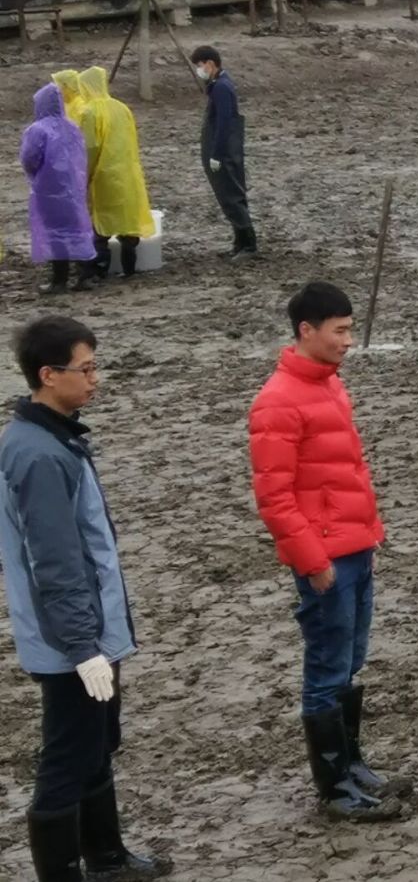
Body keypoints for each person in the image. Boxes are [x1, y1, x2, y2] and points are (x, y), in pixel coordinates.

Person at [1, 316, 172, 882]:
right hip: (71, 641)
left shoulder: (54, 438)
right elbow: (54, 563)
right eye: (87, 368)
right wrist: (83, 647)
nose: (96, 379)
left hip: (88, 630)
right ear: (48, 375)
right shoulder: (39, 455)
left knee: (96, 744)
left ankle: (106, 858)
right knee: (67, 755)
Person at [248, 283, 407, 822]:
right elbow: (274, 497)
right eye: (339, 331)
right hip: (326, 559)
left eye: (349, 329)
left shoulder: (329, 385)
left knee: (349, 661)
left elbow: (349, 472)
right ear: (306, 331)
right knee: (326, 667)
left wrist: (369, 534)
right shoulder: (278, 401)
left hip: (353, 548)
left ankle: (352, 766)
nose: (348, 340)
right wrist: (312, 561)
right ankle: (335, 787)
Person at [75, 67, 154, 281]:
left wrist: (84, 175)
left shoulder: (89, 112)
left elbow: (90, 147)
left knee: (101, 224)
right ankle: (129, 268)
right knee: (126, 219)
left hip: (105, 175)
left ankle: (99, 270)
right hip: (128, 172)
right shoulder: (122, 107)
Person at [22, 83, 97, 296]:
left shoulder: (37, 130)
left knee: (56, 232)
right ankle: (85, 276)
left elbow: (29, 158)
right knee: (78, 228)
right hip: (73, 186)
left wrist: (36, 175)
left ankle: (59, 281)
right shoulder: (72, 126)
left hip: (49, 188)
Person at [190, 46, 257, 260]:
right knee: (229, 195)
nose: (199, 70)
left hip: (224, 152)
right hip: (225, 150)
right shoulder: (219, 84)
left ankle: (248, 244)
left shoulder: (221, 87)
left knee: (231, 196)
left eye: (200, 66)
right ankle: (240, 242)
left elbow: (224, 123)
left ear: (210, 63)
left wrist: (217, 154)